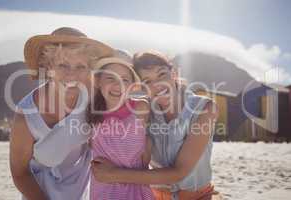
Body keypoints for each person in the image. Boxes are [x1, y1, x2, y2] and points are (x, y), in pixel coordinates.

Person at [92, 50, 221, 200]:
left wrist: (112, 174)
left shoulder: (204, 108)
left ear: (173, 74)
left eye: (161, 75)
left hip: (197, 196)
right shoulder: (144, 110)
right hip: (155, 196)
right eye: (147, 81)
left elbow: (179, 173)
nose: (157, 85)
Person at [10, 27, 113, 200]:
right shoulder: (26, 115)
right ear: (47, 66)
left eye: (80, 66)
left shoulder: (93, 96)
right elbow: (20, 173)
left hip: (84, 192)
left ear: (89, 70)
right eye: (63, 65)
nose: (71, 74)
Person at [87, 50, 154, 200]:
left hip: (136, 188)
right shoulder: (92, 112)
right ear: (98, 81)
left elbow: (146, 142)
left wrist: (146, 147)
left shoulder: (140, 108)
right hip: (103, 190)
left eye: (125, 80)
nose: (118, 85)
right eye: (111, 78)